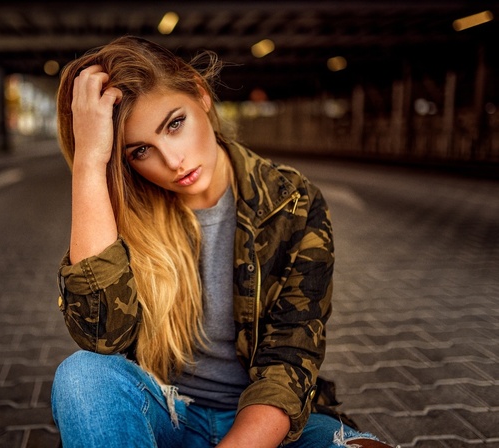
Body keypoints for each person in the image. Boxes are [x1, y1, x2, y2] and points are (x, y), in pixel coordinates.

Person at [51, 36, 392, 448]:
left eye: (175, 124)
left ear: (200, 93)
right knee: (82, 375)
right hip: (168, 414)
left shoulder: (291, 203)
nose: (172, 161)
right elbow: (101, 339)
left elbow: (287, 364)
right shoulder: (120, 214)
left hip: (264, 422)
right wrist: (89, 163)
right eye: (142, 150)